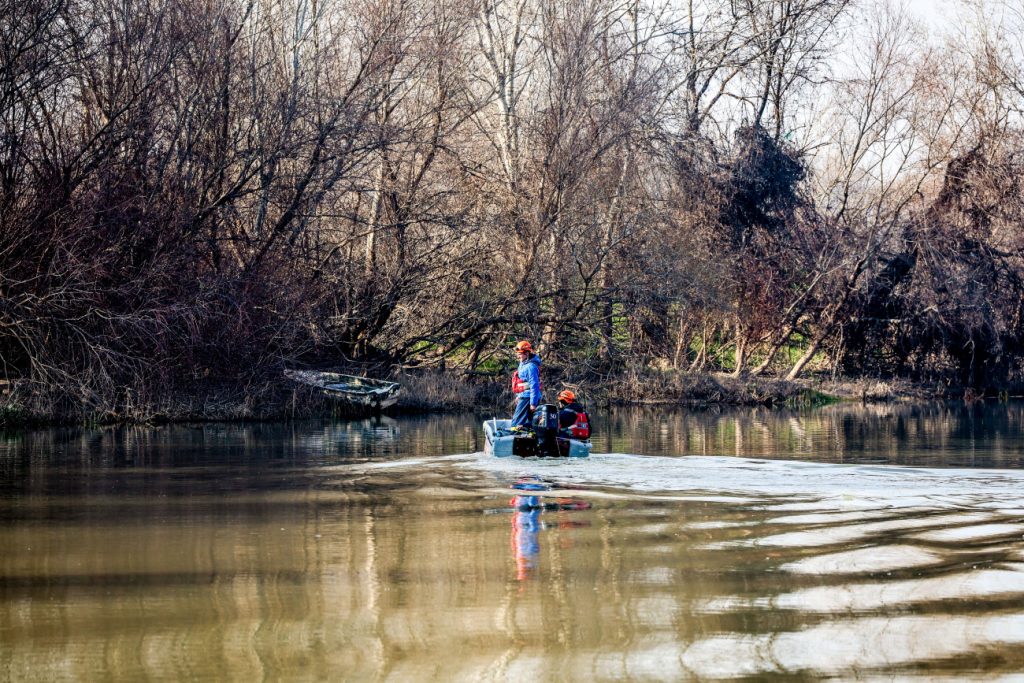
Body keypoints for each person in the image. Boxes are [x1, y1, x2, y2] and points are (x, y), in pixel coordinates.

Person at [510, 340, 542, 428]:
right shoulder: (523, 363)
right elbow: (523, 383)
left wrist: (533, 403)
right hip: (524, 395)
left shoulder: (531, 367)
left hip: (528, 397)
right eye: (517, 353)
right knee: (530, 421)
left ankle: (514, 436)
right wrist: (519, 396)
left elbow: (534, 385)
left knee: (516, 423)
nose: (518, 356)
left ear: (527, 354)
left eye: (520, 354)